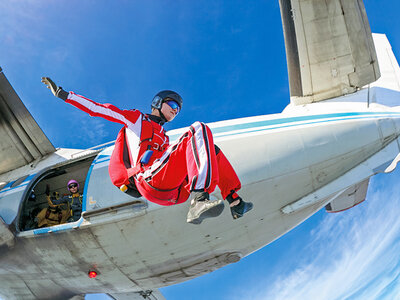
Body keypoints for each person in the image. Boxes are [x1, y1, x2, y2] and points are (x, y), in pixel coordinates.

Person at [41, 77, 252, 224]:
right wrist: (64, 95)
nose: (175, 110)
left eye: (178, 110)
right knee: (198, 129)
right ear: (158, 103)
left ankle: (234, 200)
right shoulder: (137, 120)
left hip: (172, 191)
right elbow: (100, 110)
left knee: (209, 149)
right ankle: (199, 200)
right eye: (172, 104)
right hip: (149, 178)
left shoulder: (165, 138)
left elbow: (182, 159)